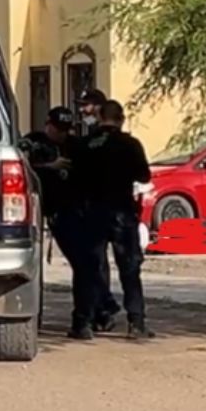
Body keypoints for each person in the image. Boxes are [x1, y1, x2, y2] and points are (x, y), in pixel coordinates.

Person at [71, 99, 152, 340]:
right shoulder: (130, 144)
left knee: (90, 269)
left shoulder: (86, 145)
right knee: (129, 268)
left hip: (92, 213)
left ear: (100, 117)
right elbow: (144, 175)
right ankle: (136, 324)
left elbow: (75, 177)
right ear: (121, 118)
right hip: (122, 212)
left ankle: (83, 323)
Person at [18, 107, 87, 325]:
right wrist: (49, 167)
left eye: (66, 129)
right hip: (36, 209)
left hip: (66, 210)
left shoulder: (75, 145)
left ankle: (84, 318)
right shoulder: (33, 142)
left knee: (82, 262)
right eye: (58, 129)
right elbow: (22, 166)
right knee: (31, 267)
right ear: (48, 124)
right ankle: (31, 318)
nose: (62, 134)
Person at [75, 89, 121, 331]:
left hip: (103, 209)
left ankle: (102, 308)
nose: (82, 110)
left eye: (87, 106)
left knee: (96, 263)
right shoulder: (88, 136)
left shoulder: (99, 140)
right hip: (95, 208)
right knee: (96, 263)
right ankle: (103, 308)